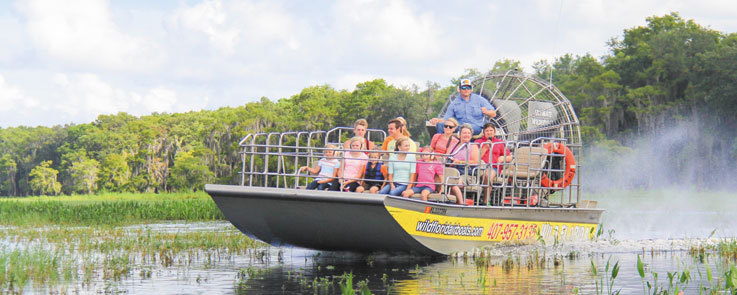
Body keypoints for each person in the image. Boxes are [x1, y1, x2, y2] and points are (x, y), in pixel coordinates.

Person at [429, 78, 496, 135]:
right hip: (460, 127)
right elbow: (446, 118)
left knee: (466, 129)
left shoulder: (479, 99)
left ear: (471, 89)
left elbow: (493, 114)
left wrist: (486, 112)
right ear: (459, 89)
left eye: (468, 87)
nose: (466, 89)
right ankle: (439, 146)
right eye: (463, 88)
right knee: (441, 125)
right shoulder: (454, 103)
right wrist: (437, 120)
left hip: (476, 127)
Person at [474, 123, 512, 204]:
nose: (489, 132)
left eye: (491, 130)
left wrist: (503, 158)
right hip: (480, 166)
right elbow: (476, 157)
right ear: (483, 132)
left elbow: (509, 157)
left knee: (487, 175)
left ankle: (486, 200)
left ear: (494, 132)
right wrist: (485, 147)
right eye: (487, 131)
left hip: (493, 166)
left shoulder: (500, 142)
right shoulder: (478, 142)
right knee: (484, 173)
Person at [447, 124, 480, 204]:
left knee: (453, 184)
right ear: (460, 134)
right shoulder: (454, 145)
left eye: (468, 133)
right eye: (464, 133)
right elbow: (447, 156)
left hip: (466, 172)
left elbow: (475, 162)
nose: (466, 135)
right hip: (453, 169)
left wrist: (459, 162)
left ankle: (461, 204)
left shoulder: (473, 146)